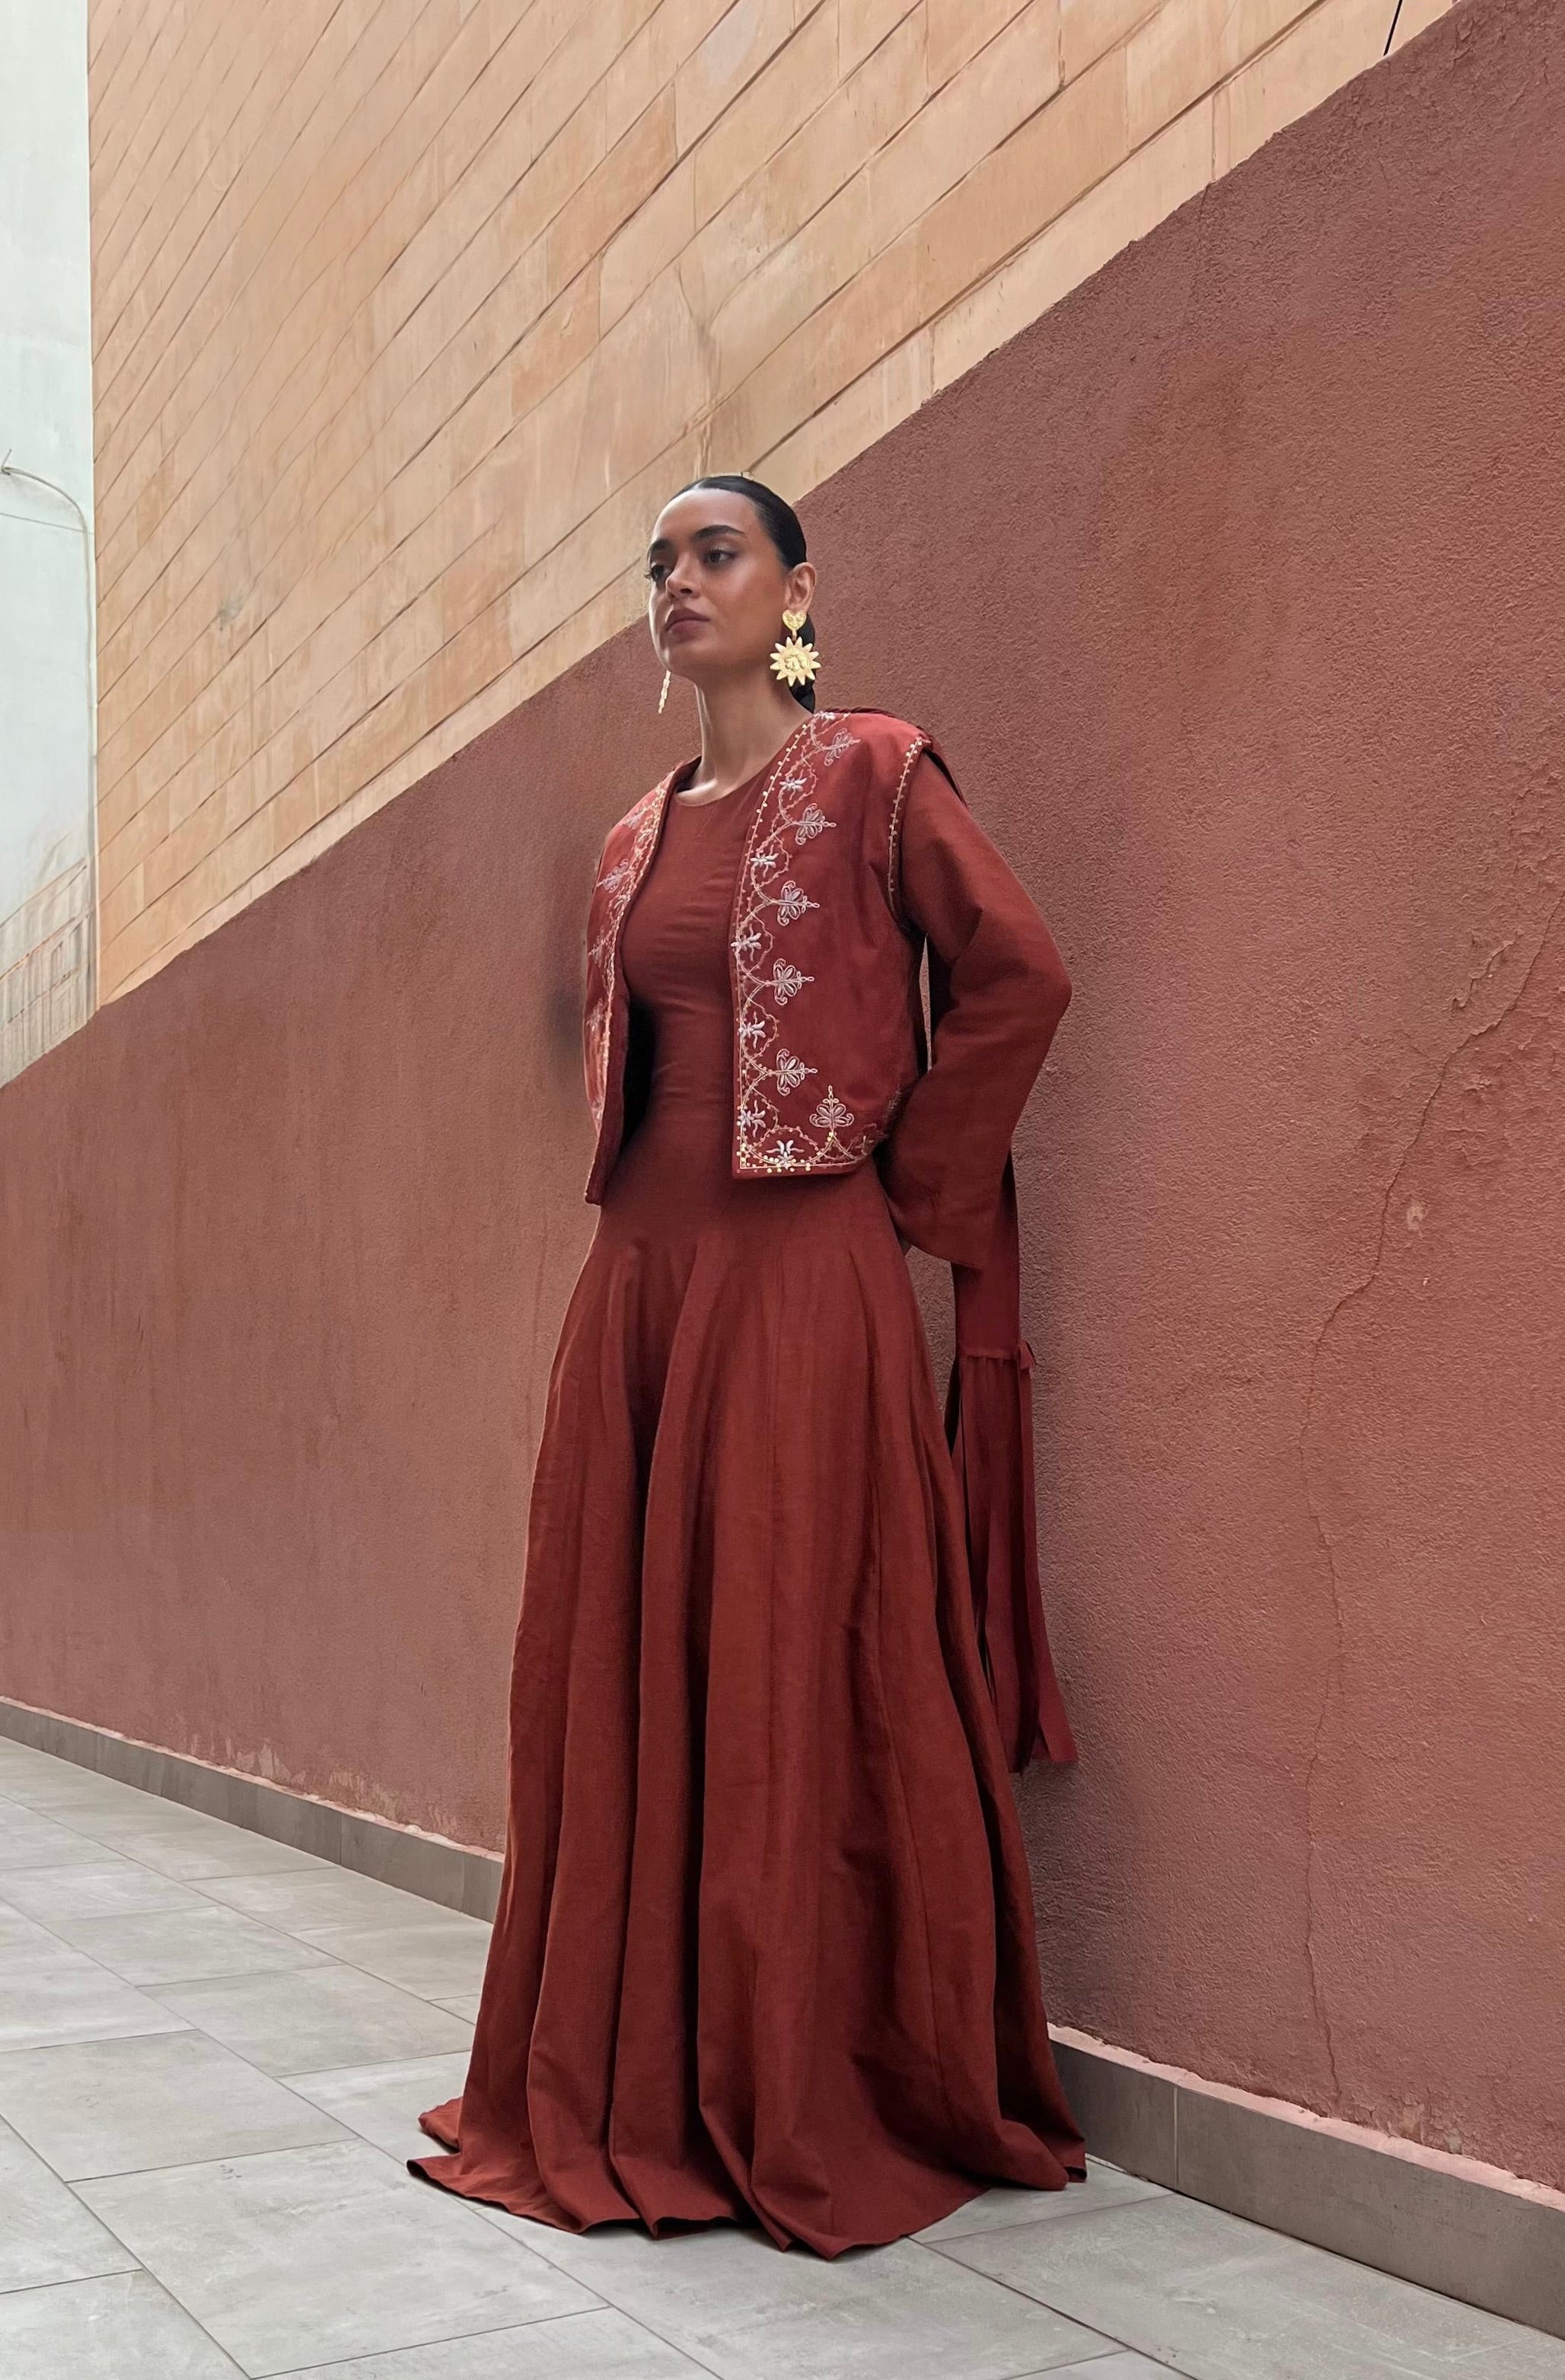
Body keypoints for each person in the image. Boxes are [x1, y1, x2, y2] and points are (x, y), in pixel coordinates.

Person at [407, 474, 1085, 2256]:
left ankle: (801, 2073)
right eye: (660, 562)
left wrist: (910, 1187)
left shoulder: (874, 770)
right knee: (621, 1661)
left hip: (799, 1280)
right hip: (639, 1286)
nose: (679, 581)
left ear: (793, 590)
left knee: (787, 1650)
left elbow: (1017, 972)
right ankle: (635, 2069)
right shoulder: (630, 836)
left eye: (716, 552)